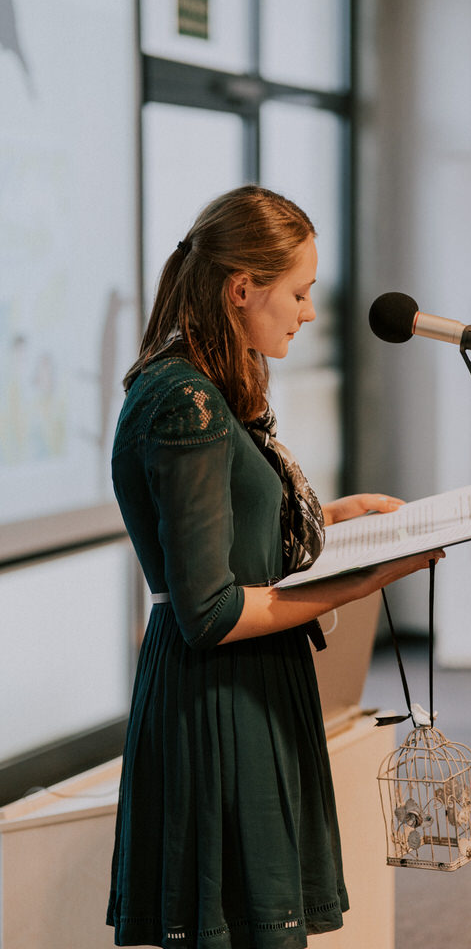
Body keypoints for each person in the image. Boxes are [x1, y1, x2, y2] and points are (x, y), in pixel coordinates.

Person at [106, 185, 444, 949]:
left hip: (249, 688)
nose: (309, 312)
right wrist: (362, 582)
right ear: (241, 289)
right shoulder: (184, 400)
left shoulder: (207, 385)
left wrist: (338, 517)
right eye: (299, 292)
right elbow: (212, 611)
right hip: (218, 698)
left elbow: (238, 531)